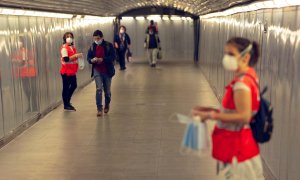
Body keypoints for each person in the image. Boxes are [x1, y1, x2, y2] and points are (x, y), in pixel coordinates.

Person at [192, 37, 264, 180]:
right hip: (240, 148)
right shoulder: (248, 77)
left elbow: (244, 116)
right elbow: (235, 111)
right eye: (226, 54)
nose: (226, 58)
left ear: (245, 57)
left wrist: (212, 115)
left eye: (231, 54)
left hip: (238, 150)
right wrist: (209, 110)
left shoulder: (241, 85)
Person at [87, 30, 115, 116]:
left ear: (102, 37)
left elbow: (113, 57)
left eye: (98, 38)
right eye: (95, 39)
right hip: (97, 70)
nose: (96, 40)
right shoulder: (92, 47)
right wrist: (92, 60)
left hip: (107, 70)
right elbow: (88, 58)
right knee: (99, 89)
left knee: (107, 91)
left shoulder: (108, 46)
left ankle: (107, 104)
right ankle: (99, 108)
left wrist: (103, 59)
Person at [11, 37, 38, 112]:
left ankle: (34, 106)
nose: (19, 43)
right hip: (23, 74)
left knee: (33, 89)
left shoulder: (27, 51)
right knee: (26, 90)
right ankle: (30, 105)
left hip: (31, 73)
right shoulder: (15, 52)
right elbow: (13, 61)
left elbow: (29, 61)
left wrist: (24, 62)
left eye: (20, 41)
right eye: (17, 41)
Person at [60, 32, 83, 111]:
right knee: (66, 87)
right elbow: (66, 59)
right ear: (64, 39)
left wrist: (78, 57)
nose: (69, 38)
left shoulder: (72, 48)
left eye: (70, 36)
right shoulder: (64, 48)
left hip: (72, 71)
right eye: (67, 37)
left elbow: (73, 59)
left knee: (74, 85)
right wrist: (76, 56)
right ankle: (66, 104)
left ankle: (67, 101)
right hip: (66, 71)